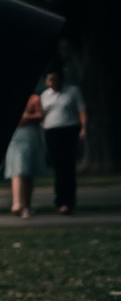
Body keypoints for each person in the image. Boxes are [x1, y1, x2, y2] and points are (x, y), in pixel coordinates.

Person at [41, 69, 87, 215]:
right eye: (49, 79)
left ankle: (69, 200)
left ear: (60, 79)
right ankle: (60, 200)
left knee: (68, 166)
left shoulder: (72, 91)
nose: (51, 82)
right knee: (58, 166)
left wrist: (83, 128)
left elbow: (81, 110)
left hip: (69, 129)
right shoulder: (45, 95)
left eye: (54, 79)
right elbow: (41, 113)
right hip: (51, 130)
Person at [4, 93, 47, 218]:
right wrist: (28, 117)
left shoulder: (34, 98)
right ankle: (17, 203)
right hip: (15, 136)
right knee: (17, 169)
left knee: (28, 171)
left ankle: (26, 206)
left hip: (30, 135)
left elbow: (40, 115)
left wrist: (26, 117)